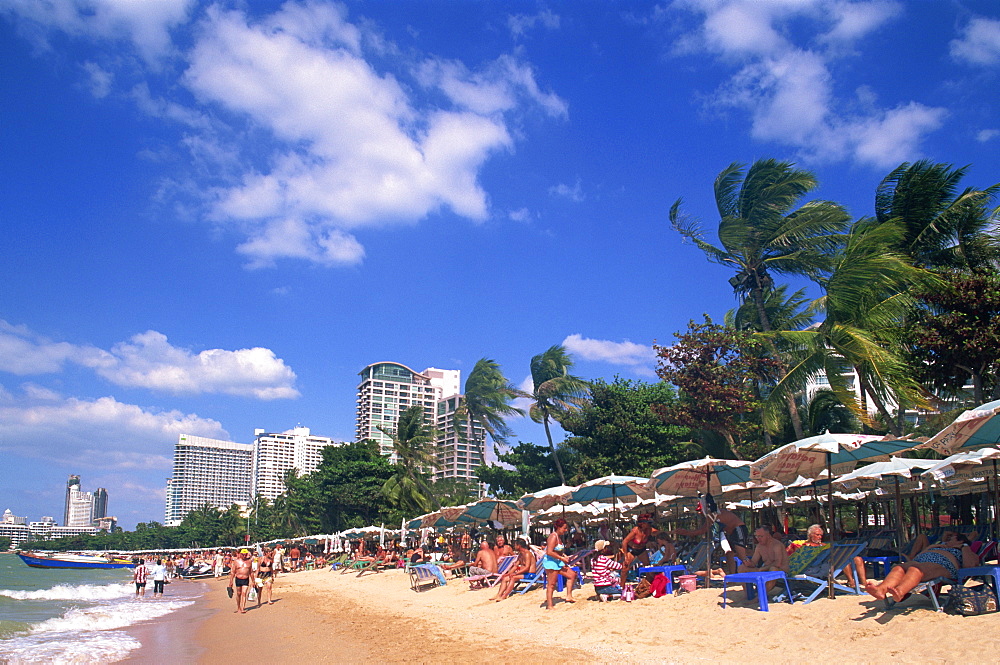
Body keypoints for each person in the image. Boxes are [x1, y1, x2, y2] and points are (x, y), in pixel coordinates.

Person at [865, 531, 979, 603]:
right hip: (920, 561)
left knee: (915, 570)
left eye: (951, 538)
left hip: (944, 565)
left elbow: (970, 565)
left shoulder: (962, 548)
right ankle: (880, 590)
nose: (947, 540)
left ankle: (900, 592)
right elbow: (920, 554)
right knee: (899, 568)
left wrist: (964, 545)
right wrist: (934, 546)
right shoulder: (939, 546)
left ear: (960, 541)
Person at [675, 500, 750, 573]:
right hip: (732, 532)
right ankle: (733, 576)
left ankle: (751, 570)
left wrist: (686, 532)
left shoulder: (713, 515)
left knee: (741, 554)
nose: (699, 513)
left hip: (738, 529)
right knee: (729, 554)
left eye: (700, 510)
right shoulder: (713, 514)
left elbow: (702, 530)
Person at [737, 526, 789, 593]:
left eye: (761, 536)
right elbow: (754, 562)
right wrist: (749, 563)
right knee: (742, 568)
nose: (758, 539)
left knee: (773, 569)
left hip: (780, 571)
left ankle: (759, 597)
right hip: (764, 570)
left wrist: (762, 569)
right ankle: (748, 594)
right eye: (757, 536)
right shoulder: (759, 546)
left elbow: (778, 563)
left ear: (768, 535)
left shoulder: (777, 545)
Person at [542, 518, 577, 609]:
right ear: (558, 527)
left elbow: (558, 550)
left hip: (558, 562)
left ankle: (569, 596)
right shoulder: (553, 536)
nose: (566, 530)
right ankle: (549, 605)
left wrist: (565, 556)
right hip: (551, 563)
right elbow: (549, 552)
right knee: (552, 584)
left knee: (572, 575)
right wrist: (562, 558)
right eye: (564, 528)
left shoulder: (558, 536)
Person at [619, 514, 657, 586]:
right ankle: (622, 586)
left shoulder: (649, 530)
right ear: (642, 524)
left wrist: (673, 532)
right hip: (631, 550)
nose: (649, 525)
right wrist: (626, 555)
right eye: (647, 523)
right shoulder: (635, 531)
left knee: (648, 566)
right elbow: (624, 542)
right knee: (625, 568)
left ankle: (648, 583)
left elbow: (660, 533)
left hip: (641, 550)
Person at [227, 549, 256, 614]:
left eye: (245, 554)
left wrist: (253, 581)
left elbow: (251, 572)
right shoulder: (236, 562)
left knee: (244, 593)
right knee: (238, 593)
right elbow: (233, 572)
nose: (244, 556)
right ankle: (238, 607)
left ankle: (243, 608)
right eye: (243, 554)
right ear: (240, 554)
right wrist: (230, 582)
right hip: (238, 579)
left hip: (246, 579)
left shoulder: (249, 561)